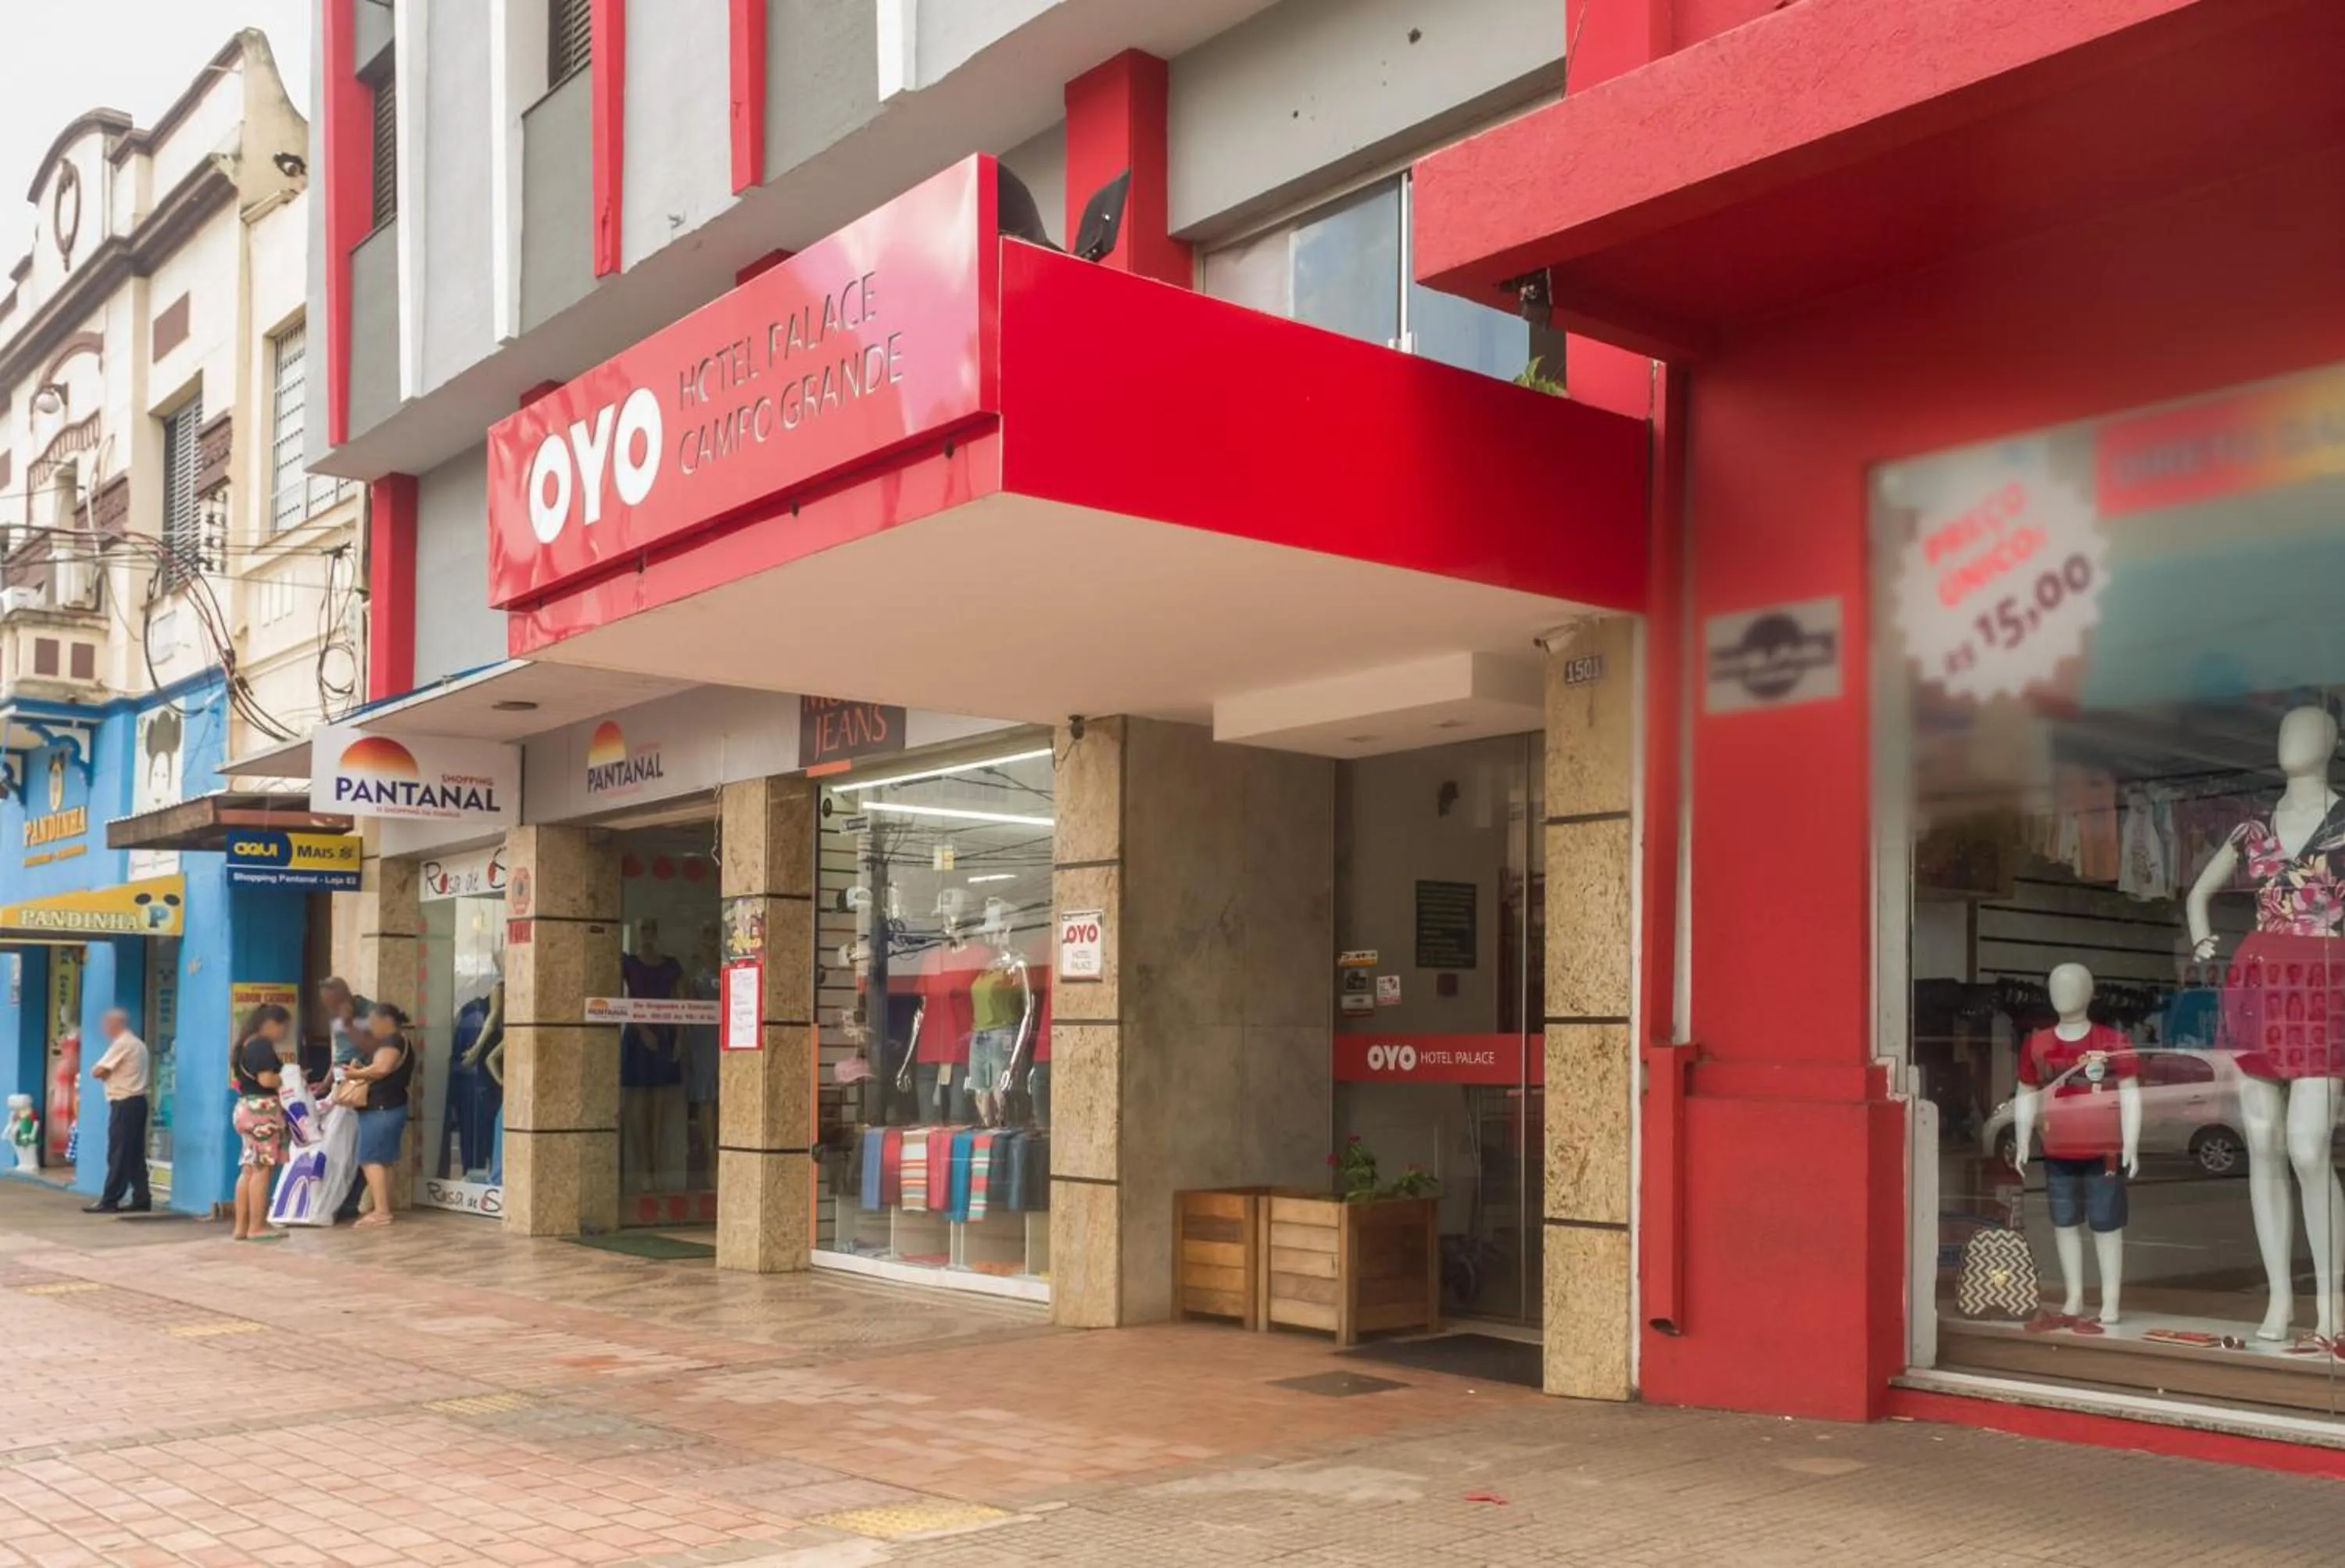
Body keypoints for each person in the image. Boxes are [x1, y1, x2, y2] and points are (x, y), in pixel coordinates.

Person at [342, 1002, 415, 1229]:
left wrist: (355, 1074)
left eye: (373, 1021)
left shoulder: (392, 1041)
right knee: (383, 1161)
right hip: (390, 1107)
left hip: (382, 1108)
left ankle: (382, 1212)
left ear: (386, 1021)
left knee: (370, 1159)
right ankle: (382, 1207)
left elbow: (382, 1068)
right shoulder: (399, 1041)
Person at [231, 1004, 292, 1240]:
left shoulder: (245, 1044)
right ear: (270, 1024)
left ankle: (241, 1227)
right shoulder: (262, 1046)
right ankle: (257, 1226)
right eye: (283, 1027)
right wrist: (287, 1078)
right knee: (262, 1169)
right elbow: (267, 1080)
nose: (284, 1033)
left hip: (246, 1108)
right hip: (262, 1111)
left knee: (248, 1169)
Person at [83, 1009, 152, 1215]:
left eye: (106, 1025)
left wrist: (104, 1073)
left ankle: (110, 1200)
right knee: (134, 1152)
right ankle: (142, 1197)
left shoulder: (123, 1043)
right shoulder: (138, 1044)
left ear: (115, 1025)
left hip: (124, 1102)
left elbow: (98, 1070)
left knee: (119, 1152)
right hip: (138, 1102)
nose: (104, 1029)